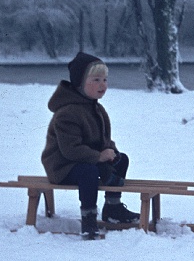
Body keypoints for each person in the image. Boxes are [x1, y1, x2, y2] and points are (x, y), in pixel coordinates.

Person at [41, 51, 140, 240]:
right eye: (96, 80)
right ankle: (88, 220)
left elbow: (103, 139)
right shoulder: (67, 113)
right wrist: (98, 157)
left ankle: (113, 208)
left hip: (87, 160)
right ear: (80, 83)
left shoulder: (96, 108)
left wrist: (111, 152)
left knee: (122, 160)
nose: (102, 85)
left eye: (105, 80)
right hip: (63, 166)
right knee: (88, 172)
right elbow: (70, 150)